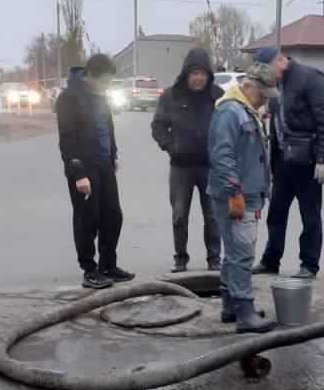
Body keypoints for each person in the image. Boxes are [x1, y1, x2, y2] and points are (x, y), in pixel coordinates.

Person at [250, 44, 324, 280]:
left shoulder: (309, 78)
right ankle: (271, 260)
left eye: (267, 70)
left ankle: (309, 264)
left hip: (307, 162)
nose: (267, 76)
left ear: (279, 60)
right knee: (276, 214)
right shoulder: (276, 84)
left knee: (310, 216)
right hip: (283, 162)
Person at [207, 63, 280, 333]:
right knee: (242, 254)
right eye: (262, 95)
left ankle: (231, 308)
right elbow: (221, 155)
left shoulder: (246, 109)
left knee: (234, 252)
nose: (265, 101)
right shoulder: (230, 112)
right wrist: (234, 191)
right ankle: (245, 313)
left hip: (244, 192)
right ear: (248, 86)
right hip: (236, 195)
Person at [56, 53, 135, 289]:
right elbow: (67, 139)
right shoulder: (69, 98)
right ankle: (89, 270)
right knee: (87, 218)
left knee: (113, 216)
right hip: (84, 165)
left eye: (110, 82)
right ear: (89, 75)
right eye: (104, 82)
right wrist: (78, 173)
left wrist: (113, 154)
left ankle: (108, 265)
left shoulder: (101, 95)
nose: (107, 86)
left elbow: (106, 126)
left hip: (104, 163)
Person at [150, 47, 222, 272]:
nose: (199, 77)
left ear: (208, 75)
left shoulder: (218, 95)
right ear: (186, 74)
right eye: (195, 73)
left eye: (203, 73)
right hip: (181, 167)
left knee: (213, 216)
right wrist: (171, 147)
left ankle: (214, 258)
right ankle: (180, 258)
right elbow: (158, 126)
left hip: (210, 167)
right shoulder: (170, 96)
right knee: (180, 215)